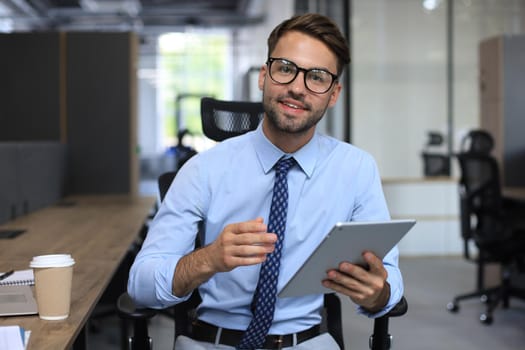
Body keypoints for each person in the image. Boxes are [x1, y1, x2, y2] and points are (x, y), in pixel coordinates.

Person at [128, 13, 403, 350]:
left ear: (334, 94)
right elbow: (140, 285)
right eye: (286, 68)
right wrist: (208, 259)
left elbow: (389, 281)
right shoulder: (203, 169)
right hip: (212, 342)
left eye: (317, 77)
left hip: (307, 343)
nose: (297, 87)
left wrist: (378, 294)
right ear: (264, 76)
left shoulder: (356, 168)